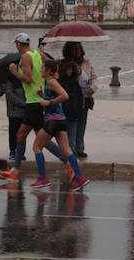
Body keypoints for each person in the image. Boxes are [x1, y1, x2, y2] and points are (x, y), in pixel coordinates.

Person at [28, 58, 89, 192]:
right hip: (60, 120)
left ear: (48, 71)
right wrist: (43, 96)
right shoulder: (49, 82)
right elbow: (52, 97)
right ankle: (80, 178)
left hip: (53, 121)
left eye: (42, 68)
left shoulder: (51, 82)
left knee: (37, 147)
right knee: (67, 151)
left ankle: (43, 178)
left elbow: (65, 96)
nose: (40, 70)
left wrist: (49, 103)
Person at [0, 33, 47, 185]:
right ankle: (15, 171)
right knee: (21, 135)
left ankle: (67, 163)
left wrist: (14, 72)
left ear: (19, 44)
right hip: (36, 100)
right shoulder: (37, 53)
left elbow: (28, 78)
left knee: (41, 141)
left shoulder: (25, 57)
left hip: (33, 102)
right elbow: (50, 66)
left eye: (16, 44)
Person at [65, 42, 94, 158]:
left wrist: (92, 89)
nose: (77, 51)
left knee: (82, 124)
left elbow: (94, 77)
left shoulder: (86, 61)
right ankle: (72, 150)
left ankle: (80, 148)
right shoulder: (66, 63)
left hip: (85, 98)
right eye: (74, 49)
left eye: (79, 48)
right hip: (72, 99)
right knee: (72, 125)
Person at [0, 69, 26, 159]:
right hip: (14, 111)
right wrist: (23, 103)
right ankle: (13, 151)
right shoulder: (11, 80)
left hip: (24, 110)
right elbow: (9, 94)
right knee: (13, 131)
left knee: (22, 132)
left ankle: (21, 152)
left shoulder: (26, 77)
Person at [59, 58, 86, 162]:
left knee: (72, 135)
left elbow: (79, 98)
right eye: (68, 70)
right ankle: (66, 154)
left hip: (73, 113)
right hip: (64, 113)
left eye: (71, 70)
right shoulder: (61, 82)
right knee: (64, 136)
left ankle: (72, 155)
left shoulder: (75, 83)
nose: (69, 72)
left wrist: (79, 111)